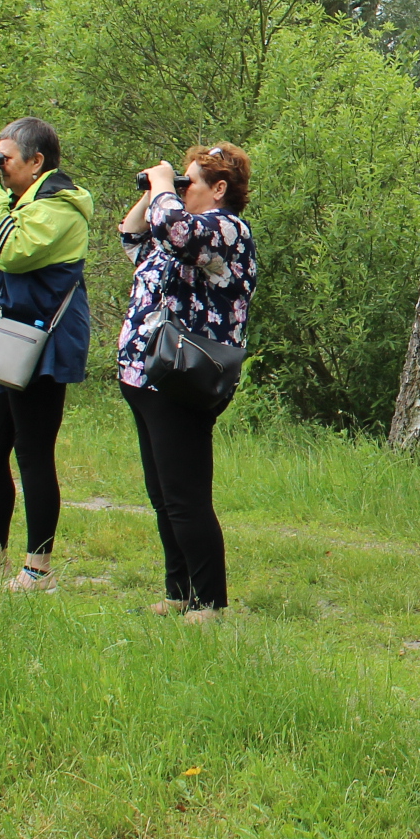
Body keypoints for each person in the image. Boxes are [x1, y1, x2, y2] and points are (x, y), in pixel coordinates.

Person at [117, 144, 257, 623]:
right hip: (147, 378)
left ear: (219, 190)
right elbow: (133, 237)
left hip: (184, 382)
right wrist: (155, 187)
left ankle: (209, 603)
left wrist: (162, 188)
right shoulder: (181, 230)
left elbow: (176, 231)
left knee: (186, 498)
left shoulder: (226, 231)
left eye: (189, 183)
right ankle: (179, 592)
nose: (180, 191)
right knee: (164, 497)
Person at [0, 119, 94, 592]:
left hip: (42, 346)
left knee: (33, 453)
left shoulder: (59, 208)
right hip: (6, 339)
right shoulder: (15, 200)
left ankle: (39, 568)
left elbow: (8, 251)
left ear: (37, 162)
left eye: (5, 158)